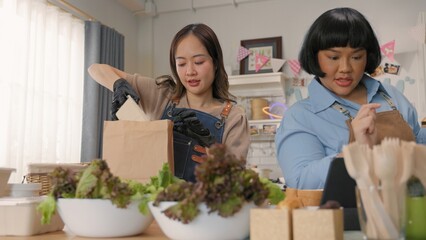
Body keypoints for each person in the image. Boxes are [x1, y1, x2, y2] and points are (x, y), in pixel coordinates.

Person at [275, 7, 426, 199]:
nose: (345, 68)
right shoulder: (300, 116)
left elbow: (418, 143)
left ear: (367, 57)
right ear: (315, 57)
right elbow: (300, 181)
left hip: (412, 213)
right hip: (348, 223)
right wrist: (353, 152)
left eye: (356, 57)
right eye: (333, 57)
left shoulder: (392, 97)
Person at [89, 23, 250, 182]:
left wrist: (216, 158)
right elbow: (96, 69)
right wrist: (118, 85)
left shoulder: (234, 117)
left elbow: (236, 180)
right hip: (158, 203)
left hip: (204, 205)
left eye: (199, 62)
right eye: (181, 64)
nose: (190, 71)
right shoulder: (162, 95)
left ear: (215, 63)